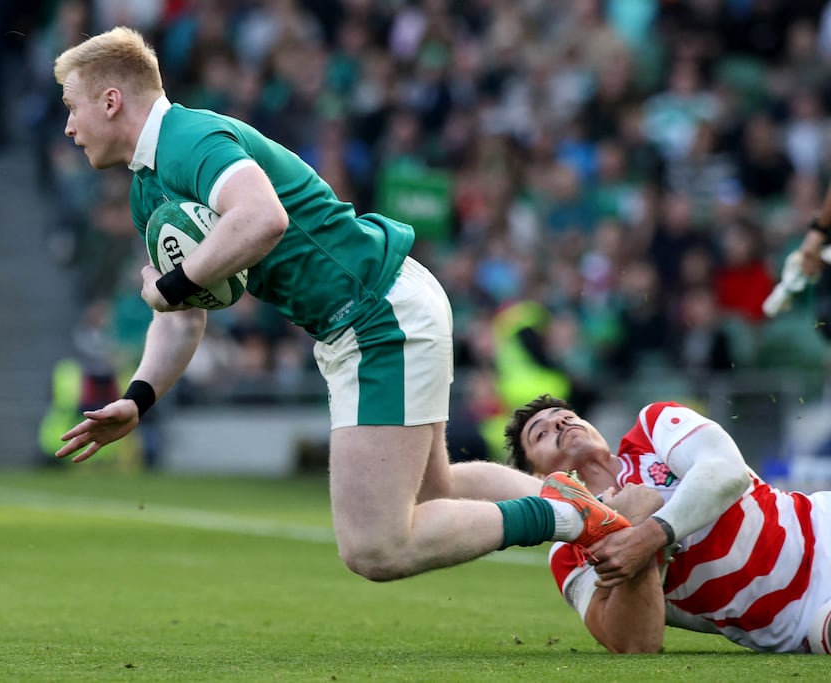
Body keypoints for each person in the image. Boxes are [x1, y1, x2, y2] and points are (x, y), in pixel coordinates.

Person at [49, 26, 632, 582]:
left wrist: (171, 284)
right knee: (437, 494)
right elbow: (180, 321)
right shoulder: (147, 187)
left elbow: (262, 219)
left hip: (376, 312)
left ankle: (578, 518)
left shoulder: (187, 138)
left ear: (110, 100)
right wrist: (139, 397)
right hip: (379, 305)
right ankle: (595, 507)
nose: (69, 126)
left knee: (376, 546)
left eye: (72, 106)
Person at [504, 394, 831, 654]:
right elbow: (633, 644)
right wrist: (629, 527)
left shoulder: (652, 428)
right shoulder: (568, 548)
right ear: (538, 477)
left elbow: (727, 471)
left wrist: (651, 534)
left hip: (822, 524)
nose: (560, 423)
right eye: (541, 433)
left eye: (567, 416)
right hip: (802, 619)